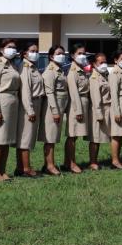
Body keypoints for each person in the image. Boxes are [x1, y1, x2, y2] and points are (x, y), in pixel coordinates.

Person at [0, 39, 21, 182]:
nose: (12, 49)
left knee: (6, 140)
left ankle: (3, 171)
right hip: (2, 103)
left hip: (12, 104)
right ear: (1, 49)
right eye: (9, 47)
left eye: (14, 47)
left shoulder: (12, 65)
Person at [39, 45, 68, 175]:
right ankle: (50, 165)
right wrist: (55, 111)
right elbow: (50, 92)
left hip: (59, 106)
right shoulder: (50, 71)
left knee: (54, 136)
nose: (62, 56)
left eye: (63, 53)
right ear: (51, 56)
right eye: (59, 53)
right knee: (50, 138)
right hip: (52, 108)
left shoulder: (59, 70)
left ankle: (47, 165)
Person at [15, 43, 43, 177]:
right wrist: (30, 110)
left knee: (27, 136)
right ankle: (26, 168)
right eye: (32, 51)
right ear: (25, 54)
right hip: (29, 104)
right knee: (26, 137)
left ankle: (20, 168)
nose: (35, 53)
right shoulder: (25, 67)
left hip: (36, 102)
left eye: (37, 51)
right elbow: (25, 91)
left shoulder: (33, 67)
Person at [64, 44, 91, 173]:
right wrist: (78, 110)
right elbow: (74, 93)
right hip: (76, 105)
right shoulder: (73, 71)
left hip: (83, 102)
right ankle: (71, 163)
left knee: (75, 136)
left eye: (84, 53)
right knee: (72, 135)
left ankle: (67, 162)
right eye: (79, 53)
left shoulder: (82, 69)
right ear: (72, 55)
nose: (82, 56)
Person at [88, 53, 112, 170]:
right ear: (94, 64)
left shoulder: (105, 75)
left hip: (107, 108)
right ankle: (93, 162)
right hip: (99, 109)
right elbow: (95, 97)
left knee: (102, 136)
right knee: (95, 137)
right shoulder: (94, 77)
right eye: (101, 62)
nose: (104, 64)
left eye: (105, 62)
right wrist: (99, 114)